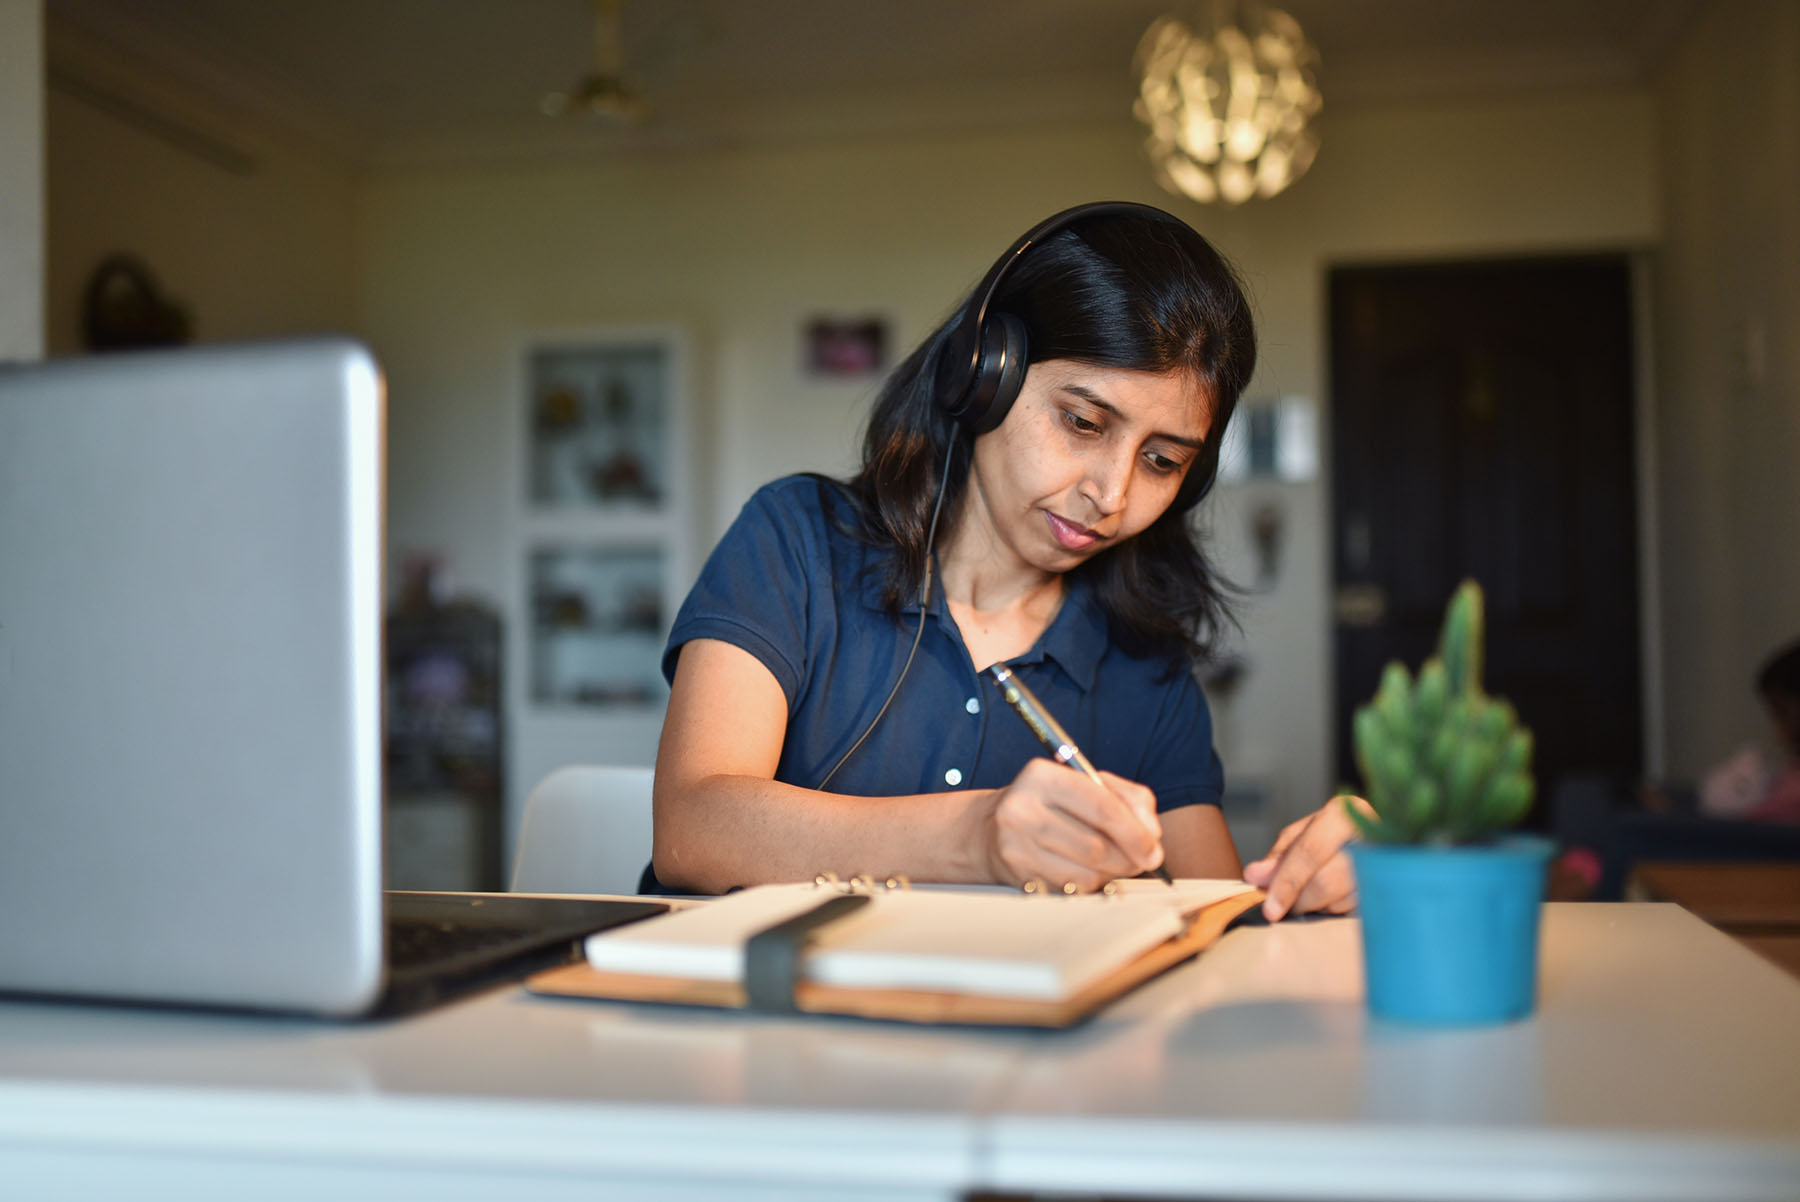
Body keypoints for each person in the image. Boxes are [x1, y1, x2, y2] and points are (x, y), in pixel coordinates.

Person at [647, 201, 1358, 920]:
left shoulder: (1147, 663)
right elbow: (692, 830)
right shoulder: (797, 539)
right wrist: (974, 837)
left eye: (1161, 461)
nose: (1111, 495)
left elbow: (1218, 920)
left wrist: (1319, 889)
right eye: (1083, 422)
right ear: (984, 377)